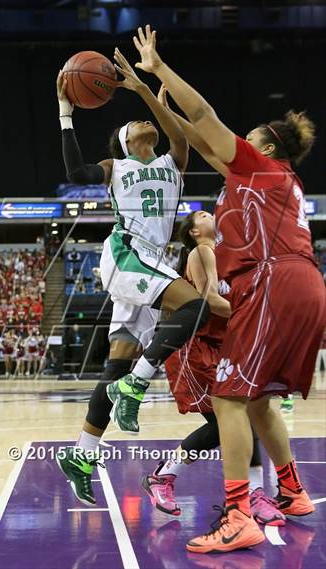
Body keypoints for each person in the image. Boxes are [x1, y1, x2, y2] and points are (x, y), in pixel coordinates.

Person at [132, 25, 325, 553]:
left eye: (250, 135)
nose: (240, 139)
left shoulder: (263, 168)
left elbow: (207, 121)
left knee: (228, 397)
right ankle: (292, 492)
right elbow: (198, 136)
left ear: (267, 147)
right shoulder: (266, 179)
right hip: (301, 283)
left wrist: (159, 69)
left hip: (272, 280)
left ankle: (239, 513)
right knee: (260, 400)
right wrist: (154, 100)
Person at [55, 50, 210, 505]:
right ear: (123, 143)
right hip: (128, 256)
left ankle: (82, 454)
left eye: (148, 121)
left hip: (153, 264)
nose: (145, 123)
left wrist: (147, 91)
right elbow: (75, 171)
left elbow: (181, 132)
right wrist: (66, 112)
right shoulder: (116, 169)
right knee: (195, 306)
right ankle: (139, 383)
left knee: (116, 362)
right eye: (135, 124)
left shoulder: (170, 164)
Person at [143, 212, 285, 526]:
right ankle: (164, 476)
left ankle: (253, 493)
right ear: (194, 231)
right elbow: (209, 299)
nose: (212, 215)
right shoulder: (201, 251)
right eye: (205, 215)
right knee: (229, 423)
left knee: (242, 419)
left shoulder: (224, 256)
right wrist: (251, 313)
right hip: (195, 347)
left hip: (220, 347)